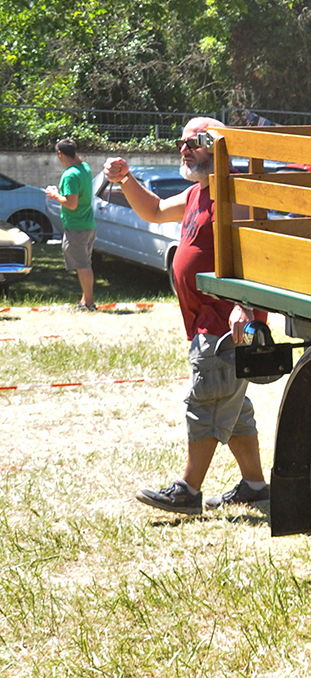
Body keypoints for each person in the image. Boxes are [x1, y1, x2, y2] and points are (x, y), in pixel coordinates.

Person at [104, 117, 271, 515]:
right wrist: (126, 179)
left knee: (207, 401)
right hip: (206, 324)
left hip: (226, 324)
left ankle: (189, 490)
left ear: (219, 146)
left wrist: (244, 307)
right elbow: (157, 210)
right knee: (234, 407)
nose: (184, 148)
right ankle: (255, 485)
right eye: (181, 142)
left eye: (194, 142)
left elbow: (260, 257)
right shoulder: (199, 193)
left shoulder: (238, 196)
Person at [44, 138, 96, 309]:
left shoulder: (70, 175)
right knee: (84, 263)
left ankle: (89, 303)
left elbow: (71, 203)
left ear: (60, 154)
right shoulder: (84, 168)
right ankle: (85, 299)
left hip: (77, 226)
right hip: (88, 224)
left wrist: (54, 195)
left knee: (82, 265)